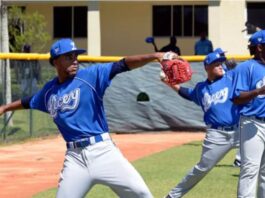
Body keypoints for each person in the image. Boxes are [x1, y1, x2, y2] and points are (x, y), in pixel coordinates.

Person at [0, 38, 169, 198]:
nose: (75, 60)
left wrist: (155, 56)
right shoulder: (49, 91)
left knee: (142, 194)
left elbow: (123, 64)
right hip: (75, 159)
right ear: (56, 62)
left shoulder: (91, 75)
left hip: (103, 151)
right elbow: (28, 101)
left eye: (76, 56)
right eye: (69, 57)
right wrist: (5, 107)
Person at [163, 51, 241, 198]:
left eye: (221, 64)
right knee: (202, 168)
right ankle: (172, 196)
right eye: (216, 64)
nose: (220, 66)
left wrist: (236, 68)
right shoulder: (201, 88)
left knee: (256, 163)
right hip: (216, 135)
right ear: (207, 67)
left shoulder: (231, 77)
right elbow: (187, 93)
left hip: (241, 130)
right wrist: (169, 82)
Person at [231, 29, 265, 198]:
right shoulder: (246, 67)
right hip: (253, 123)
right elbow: (236, 97)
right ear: (259, 47)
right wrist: (258, 91)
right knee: (250, 170)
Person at [214, 48, 241, 167]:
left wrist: (233, 69)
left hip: (235, 104)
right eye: (222, 55)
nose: (224, 56)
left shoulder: (226, 69)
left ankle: (239, 159)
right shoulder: (220, 71)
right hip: (228, 104)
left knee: (242, 133)